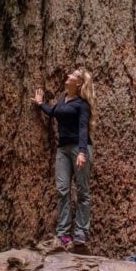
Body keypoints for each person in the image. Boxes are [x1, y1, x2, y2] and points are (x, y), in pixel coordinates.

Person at [32, 69, 96, 248]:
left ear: (79, 83)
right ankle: (63, 234)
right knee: (62, 190)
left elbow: (84, 128)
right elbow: (53, 112)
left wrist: (82, 151)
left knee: (82, 191)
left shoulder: (82, 104)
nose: (67, 76)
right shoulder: (62, 100)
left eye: (73, 76)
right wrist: (40, 104)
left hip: (80, 149)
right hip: (63, 150)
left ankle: (81, 233)